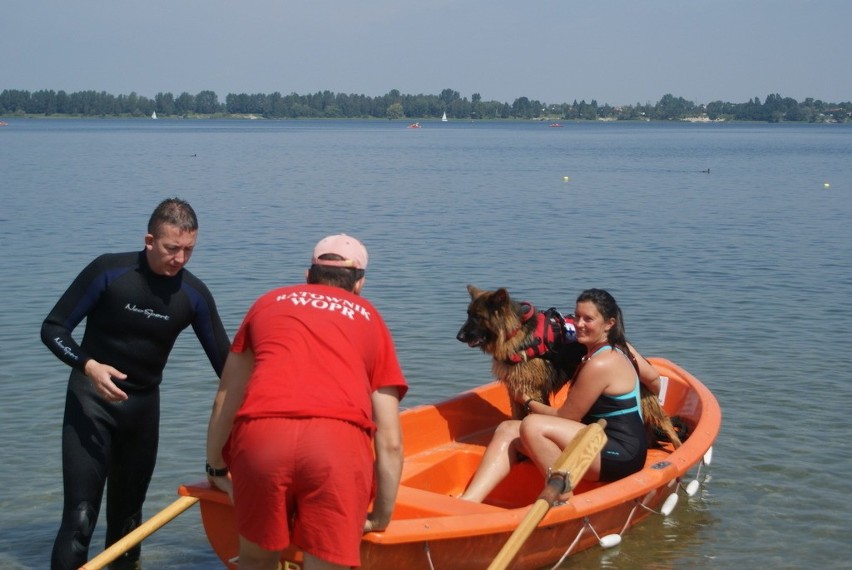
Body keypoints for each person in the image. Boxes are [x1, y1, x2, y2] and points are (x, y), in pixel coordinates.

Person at [41, 198, 231, 570]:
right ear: (149, 240)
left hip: (141, 411)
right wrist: (88, 366)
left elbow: (228, 368)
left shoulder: (193, 296)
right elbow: (53, 329)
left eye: (189, 249)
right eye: (171, 248)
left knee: (128, 524)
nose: (180, 259)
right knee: (80, 517)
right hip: (90, 403)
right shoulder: (109, 272)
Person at [206, 234, 407, 570]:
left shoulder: (268, 301)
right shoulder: (370, 318)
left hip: (261, 438)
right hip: (336, 446)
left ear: (307, 275)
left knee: (255, 561)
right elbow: (390, 442)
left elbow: (226, 396)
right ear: (359, 284)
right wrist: (382, 514)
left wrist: (215, 468)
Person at [459, 288, 656, 503]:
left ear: (609, 324)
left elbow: (565, 418)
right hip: (596, 440)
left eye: (588, 319)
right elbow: (654, 379)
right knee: (507, 429)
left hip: (621, 455)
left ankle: (563, 495)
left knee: (531, 425)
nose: (578, 324)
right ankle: (469, 501)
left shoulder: (601, 363)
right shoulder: (604, 349)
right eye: (577, 316)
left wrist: (526, 400)